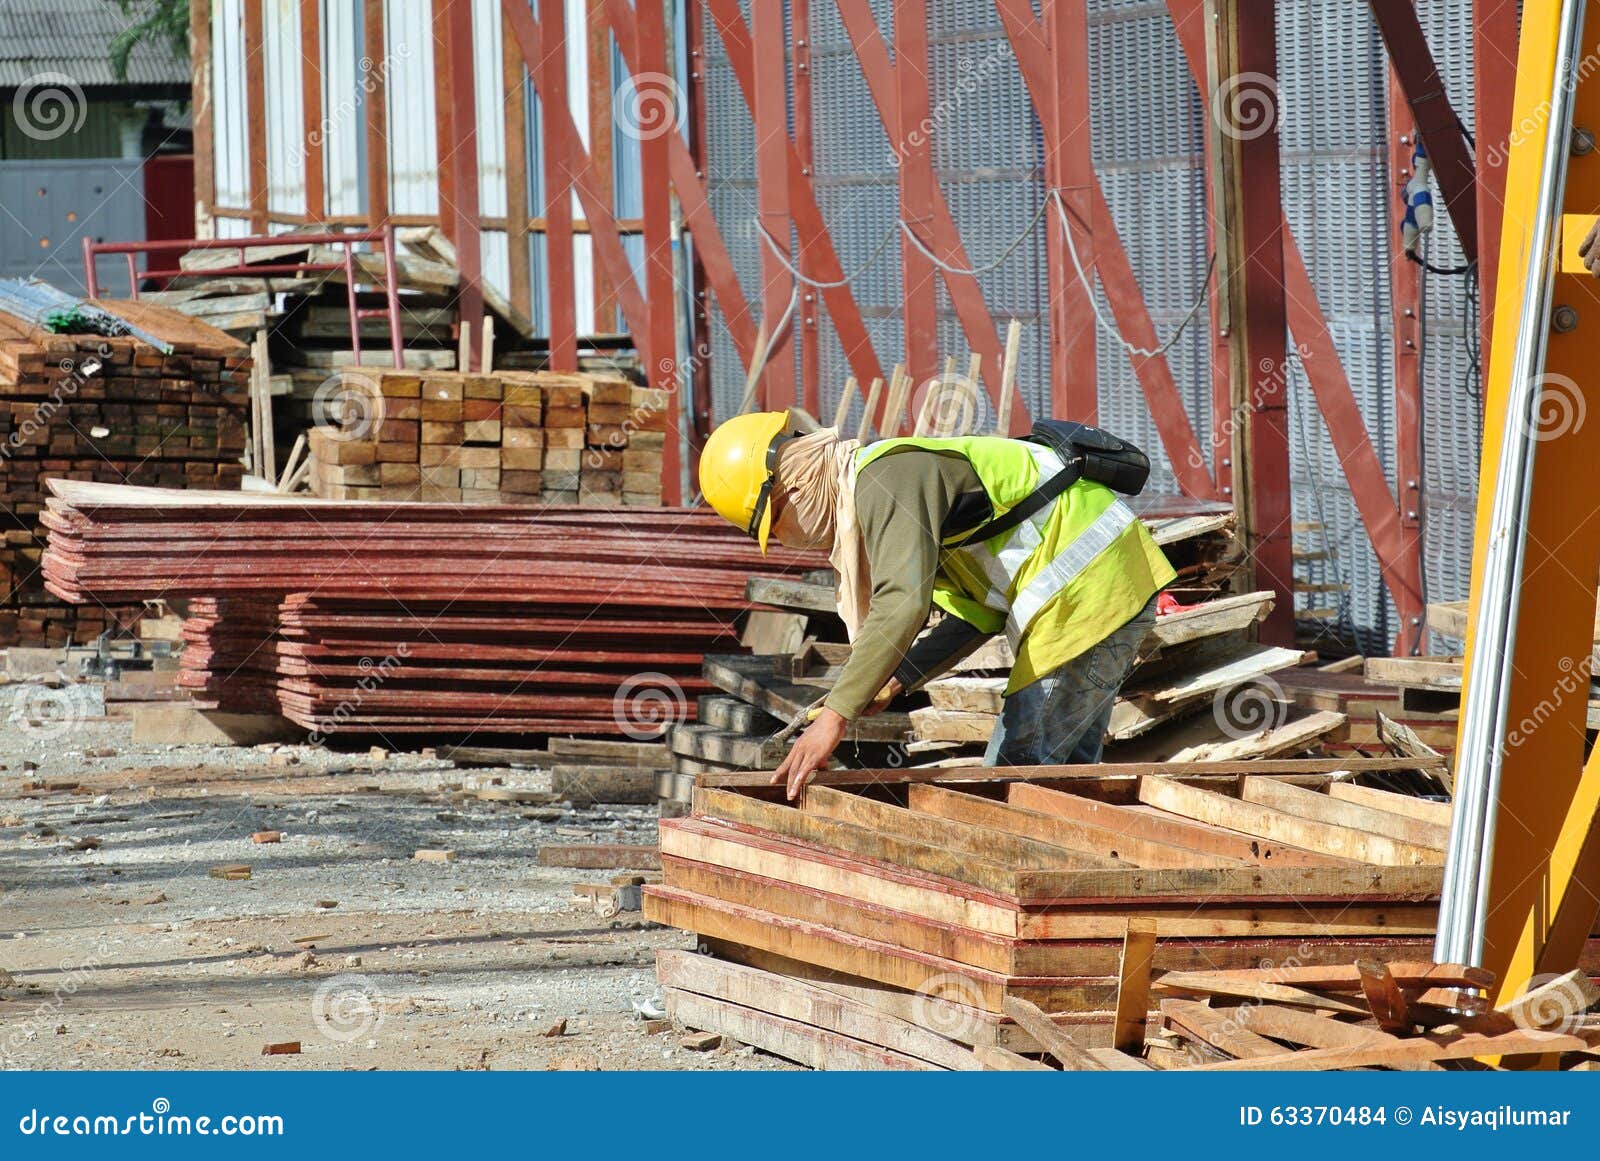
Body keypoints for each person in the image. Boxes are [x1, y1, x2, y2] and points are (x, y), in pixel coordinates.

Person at [698, 410, 1176, 799]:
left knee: (1013, 785)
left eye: (773, 527)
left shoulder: (885, 482)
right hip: (1108, 587)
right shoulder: (886, 494)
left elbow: (901, 604)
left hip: (1090, 593)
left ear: (793, 488)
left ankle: (1018, 906)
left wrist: (833, 717)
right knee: (1064, 783)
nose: (782, 543)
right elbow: (975, 613)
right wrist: (895, 680)